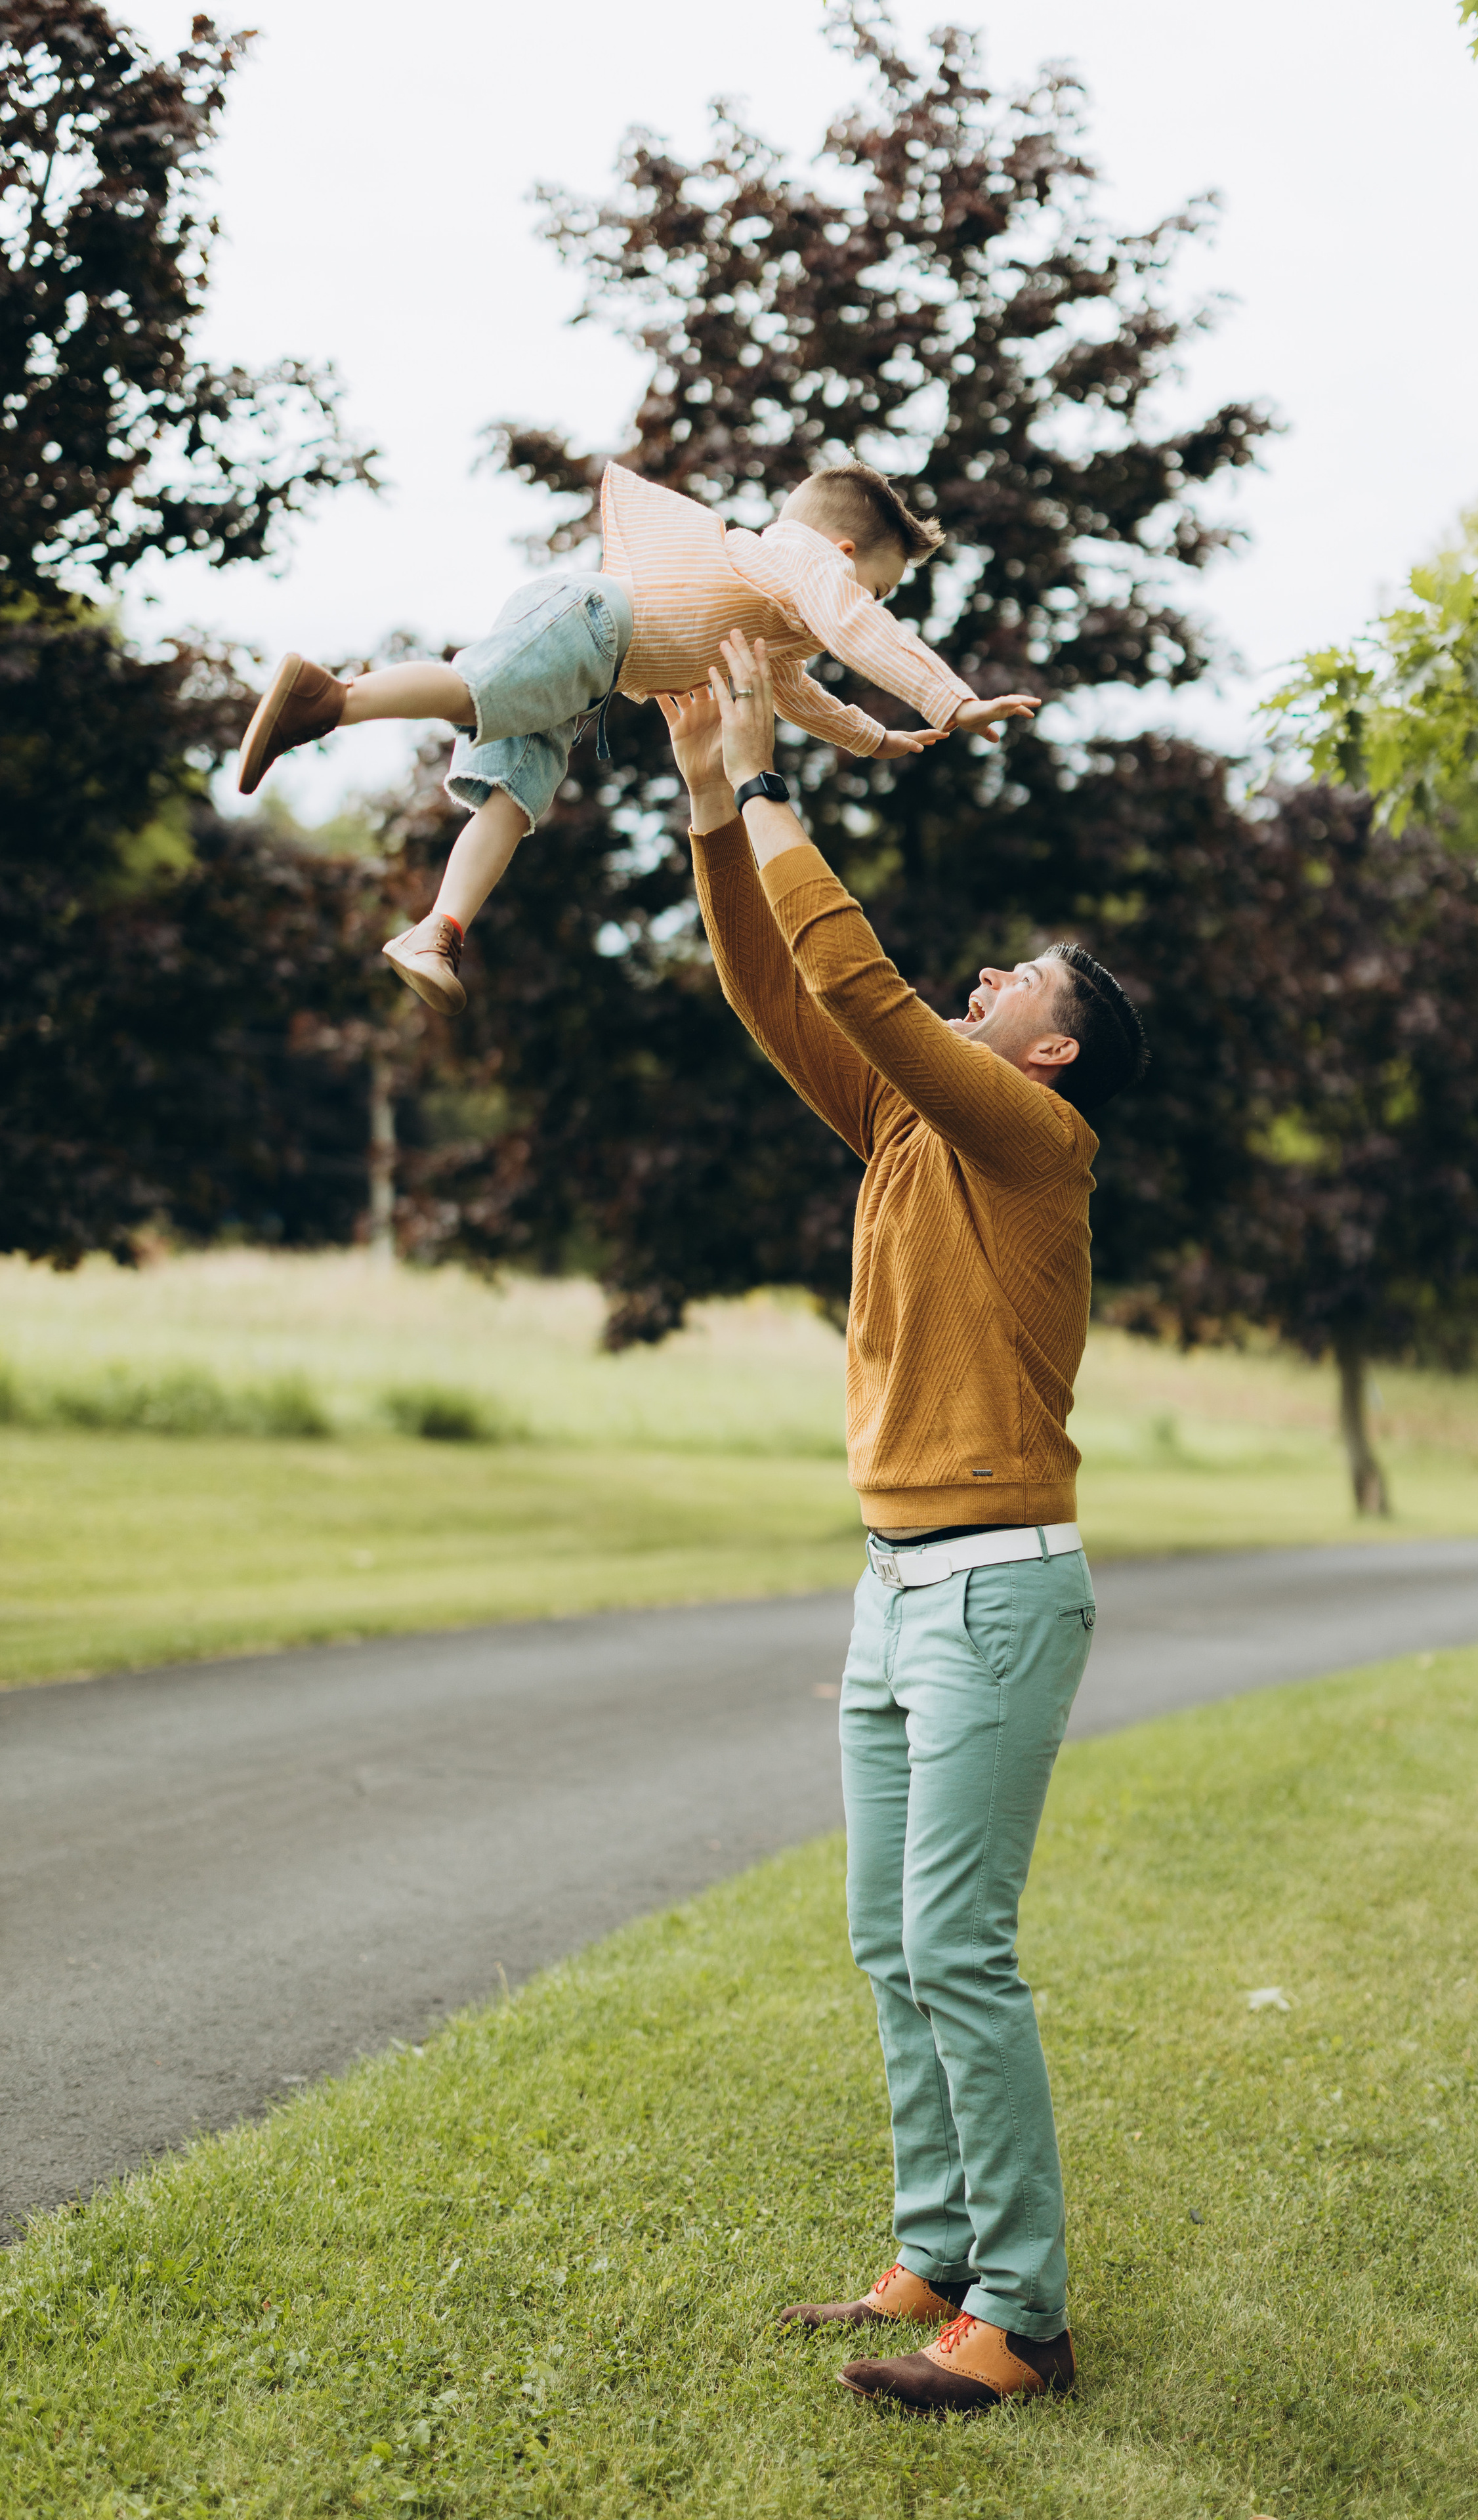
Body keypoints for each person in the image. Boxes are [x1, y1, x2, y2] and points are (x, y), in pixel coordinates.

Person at [658, 629, 1148, 2416]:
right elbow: (783, 999)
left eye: (1018, 976)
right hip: (890, 1590)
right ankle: (934, 2253)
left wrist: (785, 774)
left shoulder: (1032, 1144)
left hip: (1001, 1595)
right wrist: (714, 798)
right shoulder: (902, 1130)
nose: (987, 974)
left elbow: (857, 984)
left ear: (1056, 1046)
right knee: (890, 1938)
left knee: (958, 1944)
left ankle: (1025, 2316)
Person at [233, 461, 1041, 1014]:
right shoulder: (802, 560)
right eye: (882, 584)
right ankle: (330, 699)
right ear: (842, 552)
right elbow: (855, 624)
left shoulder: (776, 615)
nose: (873, 600)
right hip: (590, 619)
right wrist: (951, 702)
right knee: (480, 693)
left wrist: (874, 737)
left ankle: (436, 933)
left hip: (591, 670)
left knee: (512, 802)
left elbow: (792, 691)